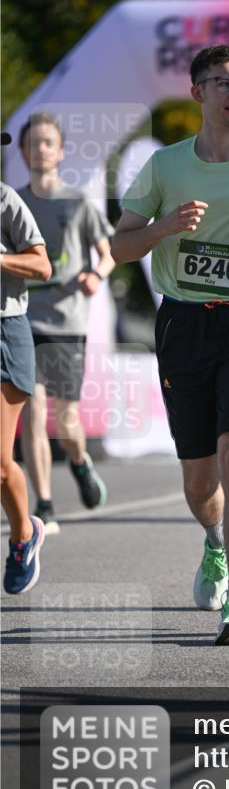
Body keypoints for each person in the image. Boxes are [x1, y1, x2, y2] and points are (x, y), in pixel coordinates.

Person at [111, 43, 229, 646]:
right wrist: (164, 227)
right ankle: (214, 542)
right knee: (199, 480)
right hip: (182, 324)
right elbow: (119, 247)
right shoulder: (164, 167)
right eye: (223, 82)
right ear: (198, 92)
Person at [18, 113, 114, 534]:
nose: (40, 149)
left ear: (60, 152)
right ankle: (44, 504)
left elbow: (109, 253)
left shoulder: (78, 203)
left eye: (48, 143)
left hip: (67, 320)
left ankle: (79, 459)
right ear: (24, 153)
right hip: (22, 317)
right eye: (33, 143)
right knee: (32, 411)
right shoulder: (12, 204)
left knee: (67, 420)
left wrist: (96, 274)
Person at [1, 182, 52, 593]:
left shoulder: (5, 200)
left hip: (5, 332)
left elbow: (42, 266)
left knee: (0, 464)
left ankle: (23, 535)